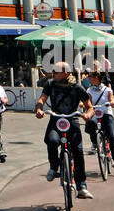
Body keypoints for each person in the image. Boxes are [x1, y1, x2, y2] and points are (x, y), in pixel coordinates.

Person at [35, 61, 95, 199]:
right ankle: (54, 167)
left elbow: (89, 106)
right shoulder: (50, 84)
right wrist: (39, 109)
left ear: (65, 73)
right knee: (52, 140)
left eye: (55, 72)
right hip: (56, 120)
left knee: (78, 151)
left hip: (72, 120)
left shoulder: (77, 87)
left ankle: (81, 187)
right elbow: (42, 99)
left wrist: (87, 115)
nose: (53, 74)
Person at [83, 70, 114, 169]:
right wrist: (82, 105)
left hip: (106, 113)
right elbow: (88, 103)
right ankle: (94, 142)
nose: (88, 78)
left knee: (112, 137)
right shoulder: (89, 90)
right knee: (90, 123)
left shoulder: (107, 90)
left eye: (90, 76)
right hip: (95, 114)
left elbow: (111, 99)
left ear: (96, 78)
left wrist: (112, 102)